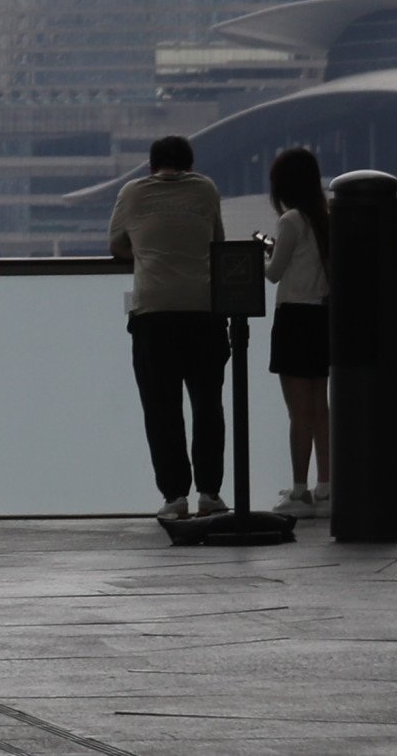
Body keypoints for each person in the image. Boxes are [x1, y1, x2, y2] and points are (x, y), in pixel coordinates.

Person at [108, 132, 229, 521]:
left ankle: (174, 496)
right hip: (203, 313)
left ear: (150, 166)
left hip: (154, 315)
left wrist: (147, 251)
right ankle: (210, 492)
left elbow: (117, 246)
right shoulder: (206, 189)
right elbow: (218, 242)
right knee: (208, 406)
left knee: (162, 410)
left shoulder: (132, 193)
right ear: (190, 165)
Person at [264, 145, 334, 519]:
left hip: (293, 318)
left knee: (298, 412)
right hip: (321, 319)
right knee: (320, 407)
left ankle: (299, 490)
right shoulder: (324, 217)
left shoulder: (290, 220)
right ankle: (326, 488)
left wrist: (267, 254)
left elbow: (274, 273)